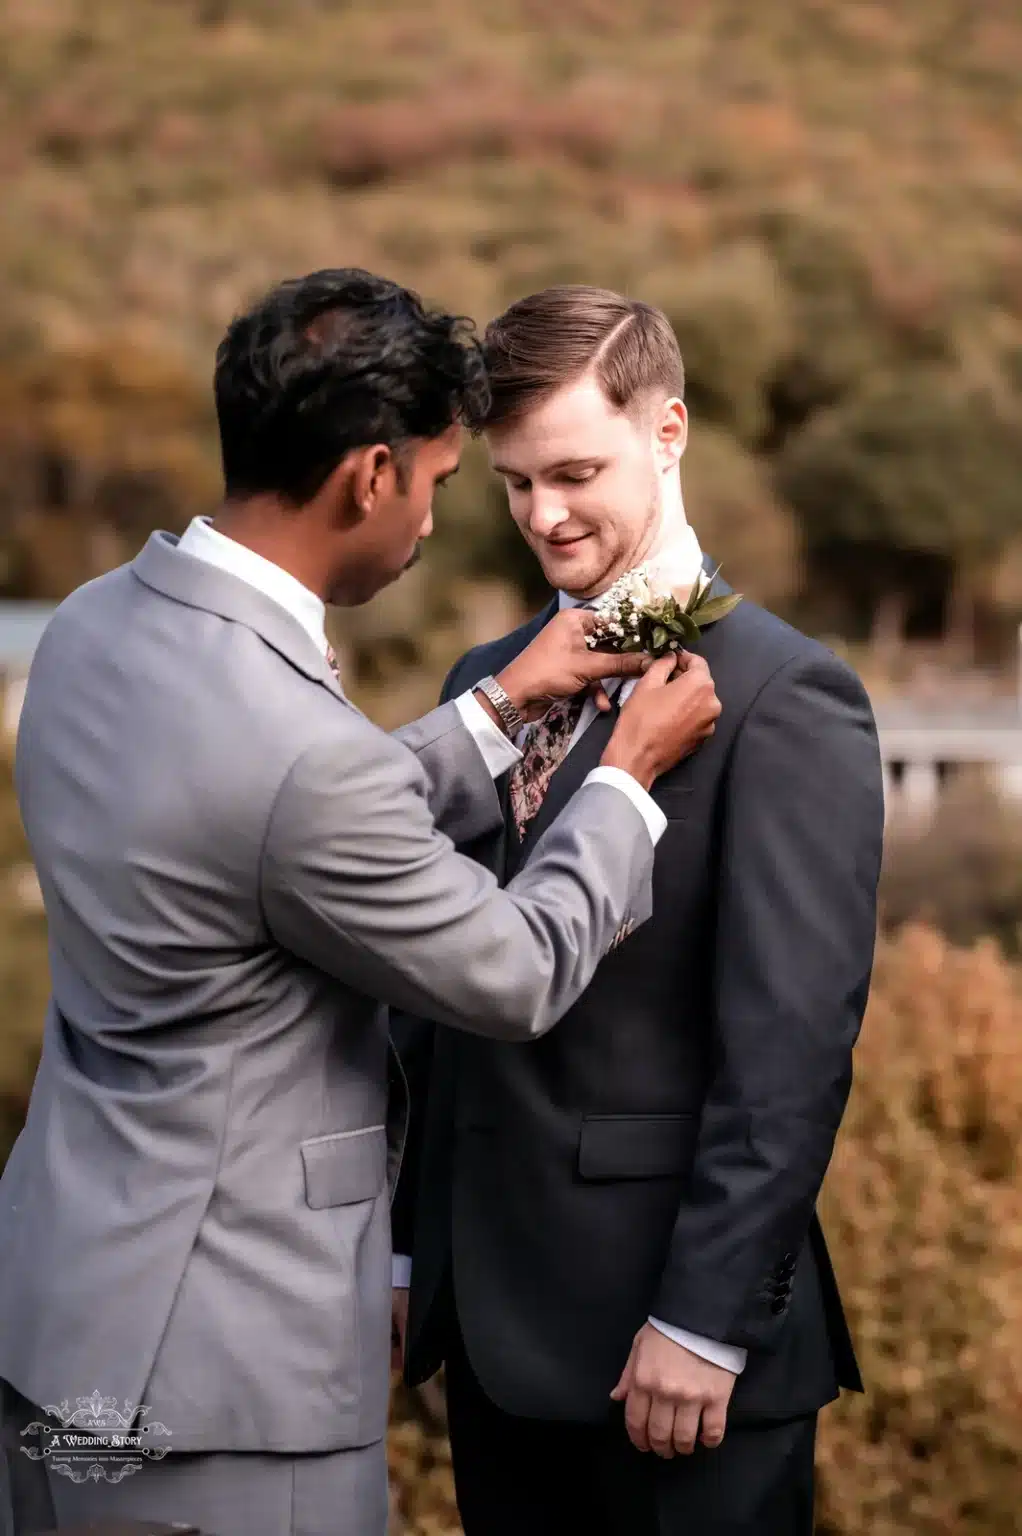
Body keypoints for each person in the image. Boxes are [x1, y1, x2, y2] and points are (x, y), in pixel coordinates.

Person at [0, 270, 721, 1536]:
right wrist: (624, 782)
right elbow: (509, 971)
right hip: (222, 1385)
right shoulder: (297, 758)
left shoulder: (95, 628)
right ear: (368, 478)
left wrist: (495, 707)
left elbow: (254, 828)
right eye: (447, 484)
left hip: (61, 1334)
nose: (440, 526)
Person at [392, 285, 886, 1536]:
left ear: (667, 432)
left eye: (572, 471)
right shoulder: (479, 687)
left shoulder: (789, 697)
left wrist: (705, 1318)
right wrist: (407, 1256)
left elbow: (789, 1048)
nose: (541, 514)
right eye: (511, 483)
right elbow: (429, 1006)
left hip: (676, 1356)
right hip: (492, 1345)